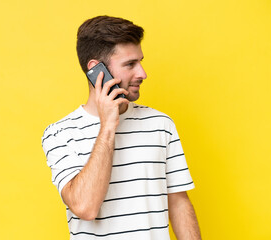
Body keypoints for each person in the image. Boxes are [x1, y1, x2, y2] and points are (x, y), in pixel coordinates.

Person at [42, 15, 201, 240]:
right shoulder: (59, 134)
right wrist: (108, 125)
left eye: (140, 61)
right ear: (96, 70)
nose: (143, 74)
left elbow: (178, 203)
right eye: (130, 64)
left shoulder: (161, 124)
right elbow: (85, 207)